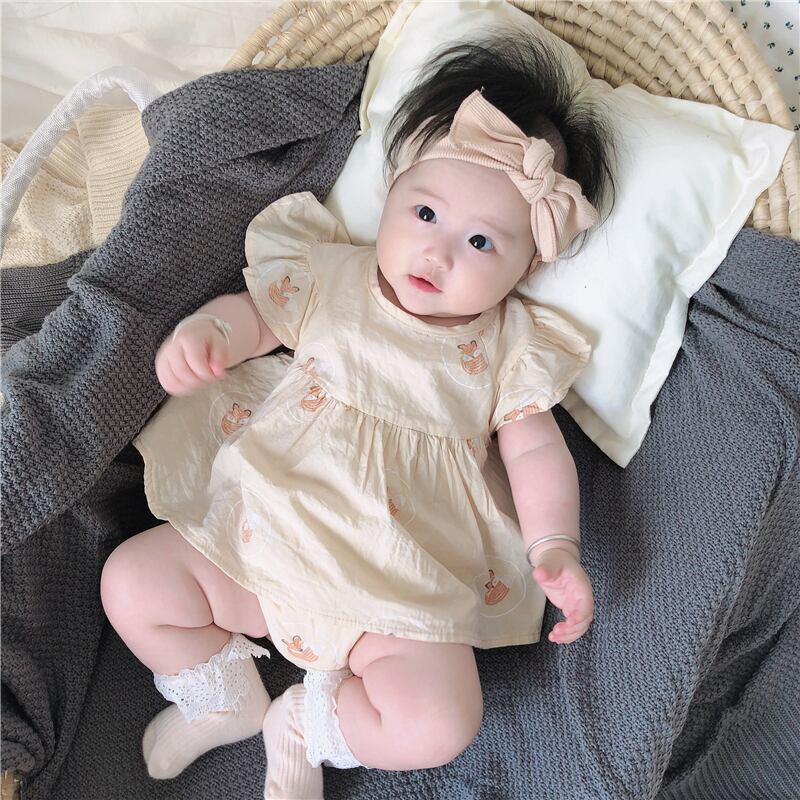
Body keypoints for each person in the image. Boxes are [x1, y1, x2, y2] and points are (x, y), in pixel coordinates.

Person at [100, 32, 616, 799]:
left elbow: (537, 452)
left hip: (394, 585)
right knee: (133, 582)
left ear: (527, 266)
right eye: (426, 212)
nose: (438, 253)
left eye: (480, 241)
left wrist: (556, 546)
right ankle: (223, 698)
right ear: (395, 188)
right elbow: (256, 316)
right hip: (262, 529)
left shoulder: (511, 347)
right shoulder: (331, 274)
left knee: (441, 721)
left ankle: (305, 724)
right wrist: (208, 334)